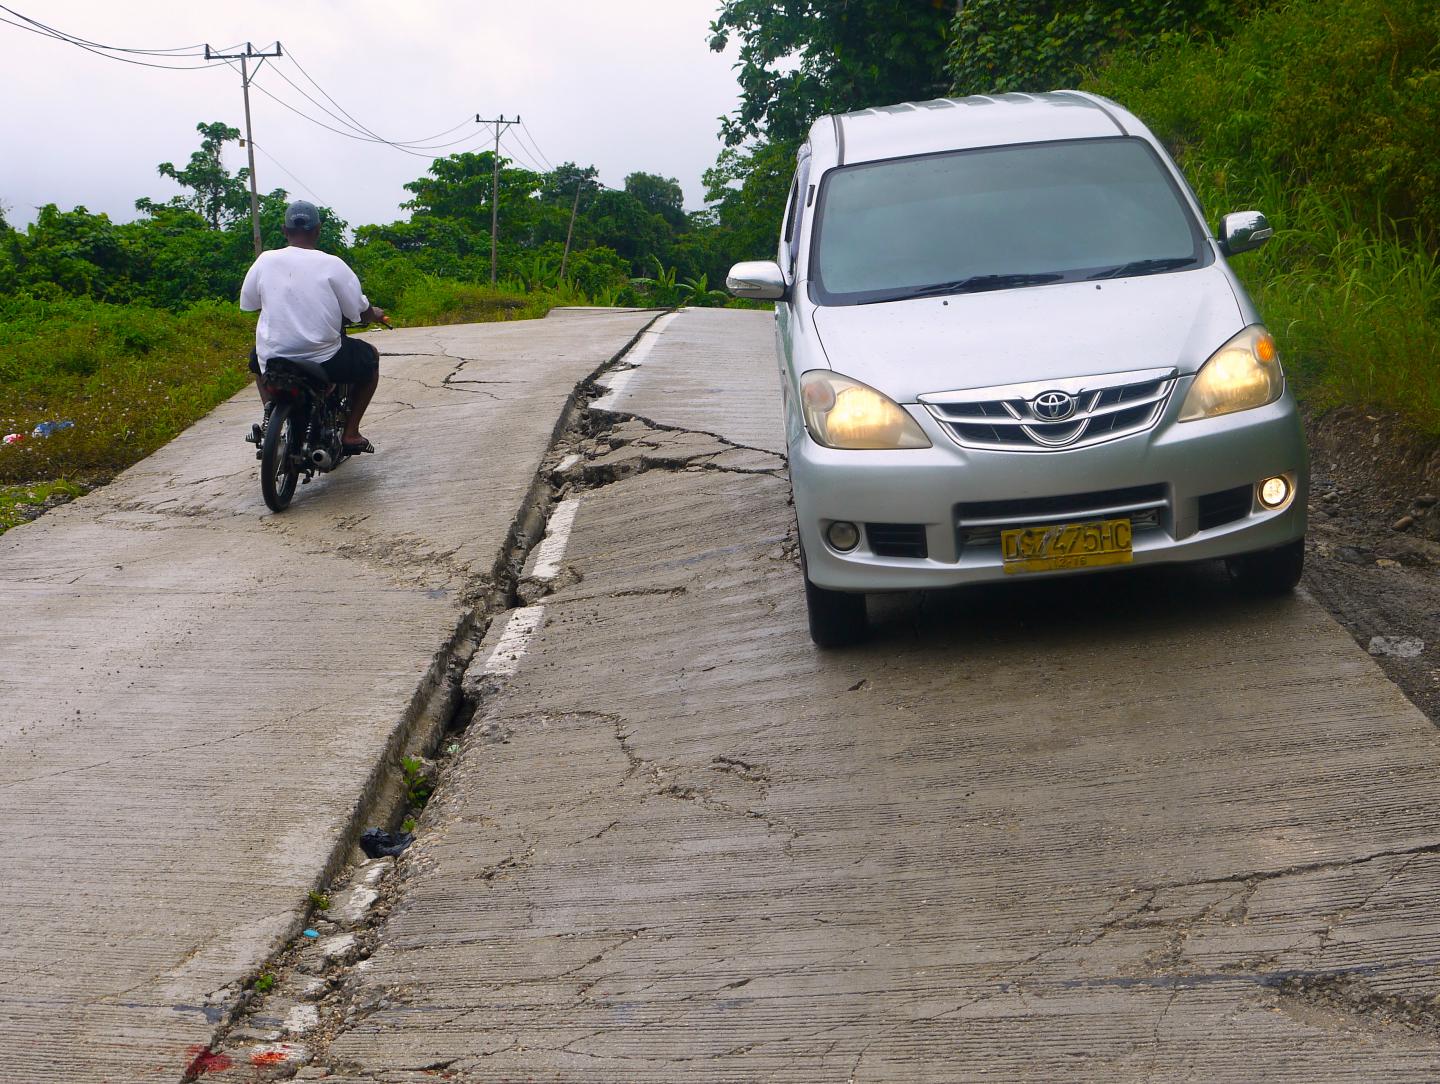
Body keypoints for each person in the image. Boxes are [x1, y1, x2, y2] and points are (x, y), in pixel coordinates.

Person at [239, 200, 385, 454]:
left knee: (256, 360)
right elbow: (359, 311)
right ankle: (351, 433)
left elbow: (250, 304)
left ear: (284, 230)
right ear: (318, 230)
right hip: (324, 359)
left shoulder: (265, 260)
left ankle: (269, 413)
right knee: (369, 357)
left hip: (274, 357)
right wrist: (375, 314)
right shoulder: (332, 264)